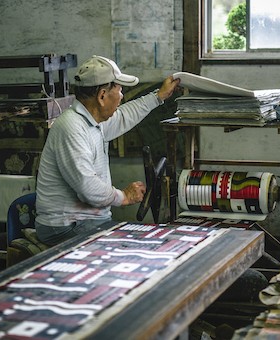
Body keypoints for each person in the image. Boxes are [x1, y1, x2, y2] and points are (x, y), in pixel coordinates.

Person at [35, 55, 180, 246]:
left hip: (85, 221)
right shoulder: (71, 127)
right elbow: (88, 188)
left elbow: (124, 116)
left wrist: (159, 96)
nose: (121, 96)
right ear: (102, 96)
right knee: (131, 249)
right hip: (66, 226)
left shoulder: (93, 121)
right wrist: (124, 196)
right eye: (119, 90)